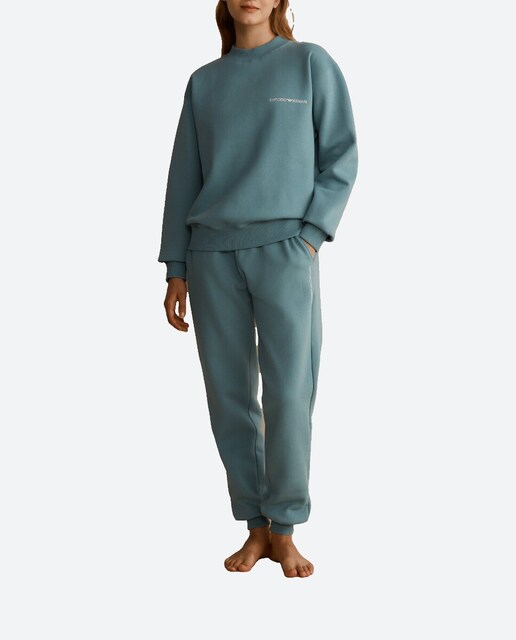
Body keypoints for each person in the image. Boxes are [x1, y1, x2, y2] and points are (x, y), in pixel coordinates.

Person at [157, 0, 358, 578]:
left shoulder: (309, 64)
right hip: (210, 255)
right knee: (229, 397)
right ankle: (255, 525)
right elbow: (184, 176)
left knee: (290, 391)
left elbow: (340, 154)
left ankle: (286, 527)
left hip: (286, 250)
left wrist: (311, 235)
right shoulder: (203, 83)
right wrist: (176, 267)